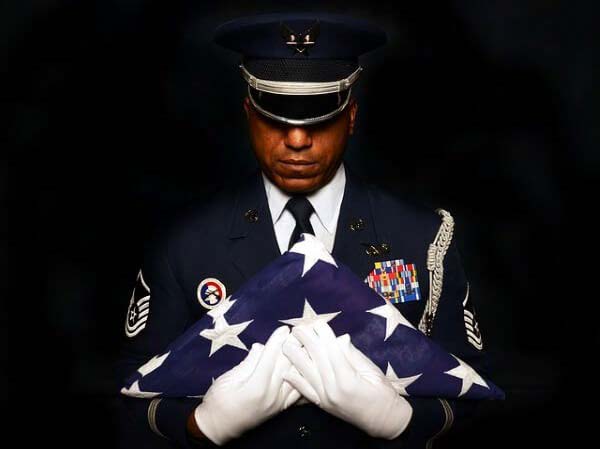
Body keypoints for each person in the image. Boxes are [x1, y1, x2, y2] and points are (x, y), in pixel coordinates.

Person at [116, 12, 490, 449]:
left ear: (350, 115)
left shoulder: (421, 238)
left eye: (318, 119)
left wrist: (402, 421)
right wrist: (202, 425)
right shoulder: (186, 244)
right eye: (275, 118)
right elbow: (130, 407)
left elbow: (474, 401)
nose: (296, 140)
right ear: (247, 114)